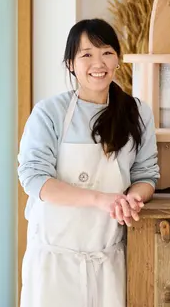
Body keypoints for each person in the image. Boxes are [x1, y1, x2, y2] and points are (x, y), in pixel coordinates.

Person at [17, 18, 160, 307]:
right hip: (53, 263)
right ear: (71, 64)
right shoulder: (49, 112)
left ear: (117, 59)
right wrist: (99, 199)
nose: (98, 63)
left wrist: (132, 199)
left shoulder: (137, 113)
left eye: (107, 52)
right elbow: (34, 179)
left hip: (108, 259)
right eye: (86, 54)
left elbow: (146, 174)